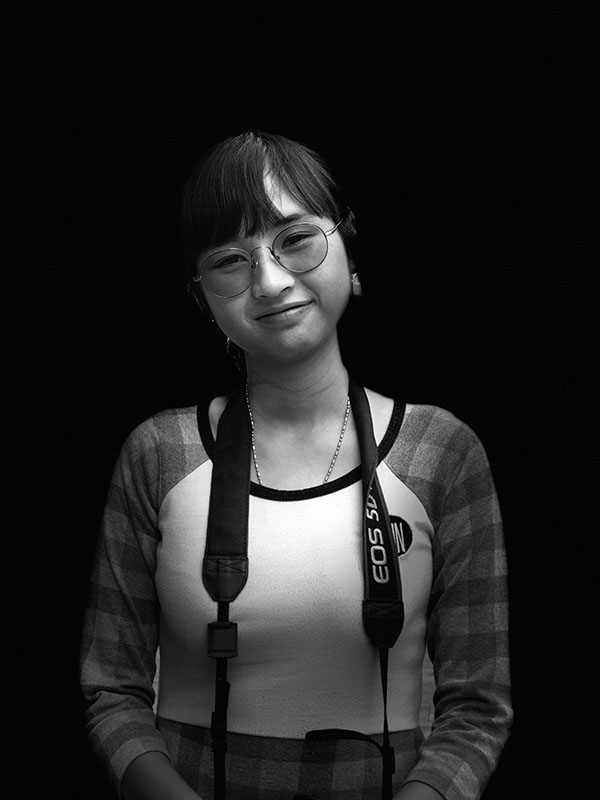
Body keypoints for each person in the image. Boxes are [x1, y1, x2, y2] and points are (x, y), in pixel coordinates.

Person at [80, 130, 512, 800]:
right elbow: (110, 690)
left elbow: (478, 710)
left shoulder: (442, 451)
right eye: (230, 260)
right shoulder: (159, 453)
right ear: (203, 299)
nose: (270, 280)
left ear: (349, 251)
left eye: (297, 239)